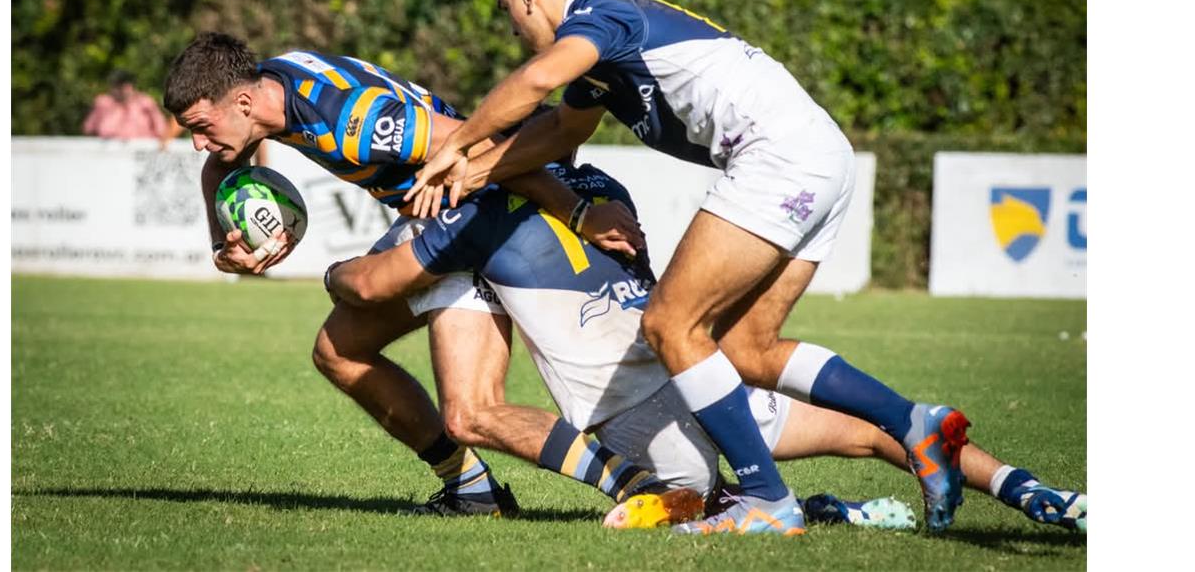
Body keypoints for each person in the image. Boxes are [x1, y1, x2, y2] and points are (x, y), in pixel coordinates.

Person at [405, 0, 971, 534]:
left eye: (508, 12)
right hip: (820, 154)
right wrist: (478, 171)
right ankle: (917, 425)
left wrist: (458, 144)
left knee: (670, 324)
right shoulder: (603, 54)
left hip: (776, 156)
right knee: (746, 349)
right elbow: (562, 132)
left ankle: (766, 501)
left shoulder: (597, 16)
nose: (513, 30)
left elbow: (538, 82)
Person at [334, 157, 1086, 534]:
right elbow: (619, 218)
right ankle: (1034, 492)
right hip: (695, 369)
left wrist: (334, 267)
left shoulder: (453, 219)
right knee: (873, 432)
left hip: (633, 410)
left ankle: (822, 513)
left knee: (692, 503)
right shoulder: (576, 179)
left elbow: (371, 288)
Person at [163, 32, 678, 519]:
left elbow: (473, 147)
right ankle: (471, 490)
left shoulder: (348, 120)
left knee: (471, 410)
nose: (197, 144)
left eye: (201, 128)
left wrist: (577, 214)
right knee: (338, 350)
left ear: (244, 105)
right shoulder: (272, 79)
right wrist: (221, 247)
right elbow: (217, 170)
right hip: (447, 214)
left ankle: (636, 487)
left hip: (471, 212)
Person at [83, 70, 171, 140]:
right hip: (108, 153)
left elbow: (161, 129)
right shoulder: (103, 103)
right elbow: (89, 129)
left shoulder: (145, 103)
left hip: (140, 151)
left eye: (123, 86)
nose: (120, 91)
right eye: (116, 86)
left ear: (131, 86)